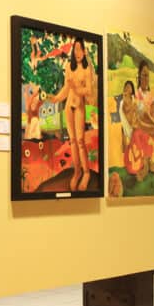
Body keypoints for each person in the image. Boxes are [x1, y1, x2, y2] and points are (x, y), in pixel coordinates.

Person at [49, 37, 95, 191]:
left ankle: (86, 172)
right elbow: (66, 89)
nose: (78, 52)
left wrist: (76, 88)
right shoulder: (69, 67)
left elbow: (88, 91)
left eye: (80, 49)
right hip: (69, 106)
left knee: (80, 141)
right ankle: (77, 171)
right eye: (76, 49)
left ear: (84, 51)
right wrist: (56, 98)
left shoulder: (87, 69)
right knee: (73, 141)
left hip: (79, 106)